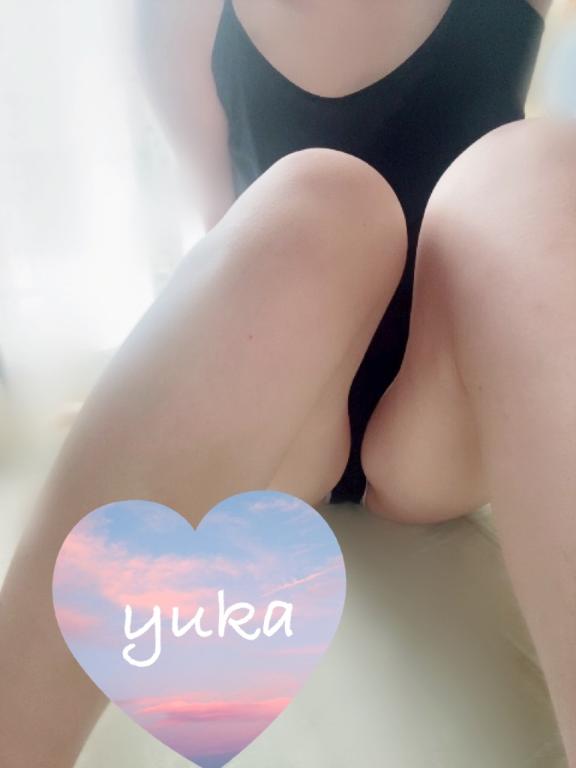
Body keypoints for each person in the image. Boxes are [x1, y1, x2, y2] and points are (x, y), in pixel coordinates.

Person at [1, 0, 575, 765]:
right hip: (291, 405)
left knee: (532, 166)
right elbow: (222, 234)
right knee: (319, 200)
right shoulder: (179, 15)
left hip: (438, 411)